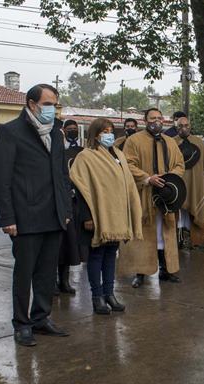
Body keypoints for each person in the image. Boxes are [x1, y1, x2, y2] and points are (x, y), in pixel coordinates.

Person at [0, 83, 72, 346]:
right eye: (47, 104)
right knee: (24, 273)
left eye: (54, 104)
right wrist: (7, 218)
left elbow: (62, 175)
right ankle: (21, 323)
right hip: (25, 216)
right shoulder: (11, 132)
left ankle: (41, 318)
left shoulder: (56, 133)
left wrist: (66, 210)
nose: (51, 109)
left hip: (54, 215)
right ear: (31, 104)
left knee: (47, 273)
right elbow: (2, 180)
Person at [70, 118, 143, 315]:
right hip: (97, 216)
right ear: (95, 134)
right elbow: (81, 189)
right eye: (104, 131)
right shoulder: (86, 157)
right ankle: (97, 297)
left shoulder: (118, 154)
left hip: (116, 215)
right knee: (96, 256)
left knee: (111, 256)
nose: (109, 134)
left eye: (111, 130)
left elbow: (127, 185)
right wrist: (87, 216)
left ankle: (109, 294)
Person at [119, 108, 185, 288]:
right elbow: (128, 164)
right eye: (152, 118)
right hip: (145, 194)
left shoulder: (170, 142)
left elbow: (180, 164)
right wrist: (148, 178)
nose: (157, 121)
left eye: (159, 118)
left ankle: (167, 269)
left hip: (166, 196)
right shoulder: (134, 141)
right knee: (144, 234)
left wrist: (170, 178)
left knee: (166, 233)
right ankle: (140, 273)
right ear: (145, 120)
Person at [173, 115, 204, 247]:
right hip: (177, 183)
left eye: (186, 126)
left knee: (195, 206)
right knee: (176, 212)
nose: (183, 128)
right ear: (176, 128)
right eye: (180, 126)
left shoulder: (199, 142)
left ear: (190, 126)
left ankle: (198, 241)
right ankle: (177, 240)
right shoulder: (171, 142)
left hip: (196, 183)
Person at [55, 119, 83, 295]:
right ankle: (50, 281)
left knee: (69, 244)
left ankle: (64, 280)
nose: (72, 131)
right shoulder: (57, 150)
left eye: (75, 129)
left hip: (73, 203)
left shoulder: (82, 151)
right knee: (54, 245)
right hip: (57, 200)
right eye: (69, 129)